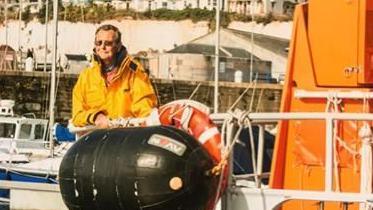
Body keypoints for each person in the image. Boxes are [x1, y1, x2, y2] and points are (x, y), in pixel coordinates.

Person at [72, 24, 158, 128]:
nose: (102, 47)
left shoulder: (134, 72)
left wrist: (147, 121)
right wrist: (95, 117)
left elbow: (144, 106)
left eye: (108, 43)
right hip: (96, 138)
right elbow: (77, 115)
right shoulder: (86, 76)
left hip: (126, 136)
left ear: (118, 46)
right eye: (99, 43)